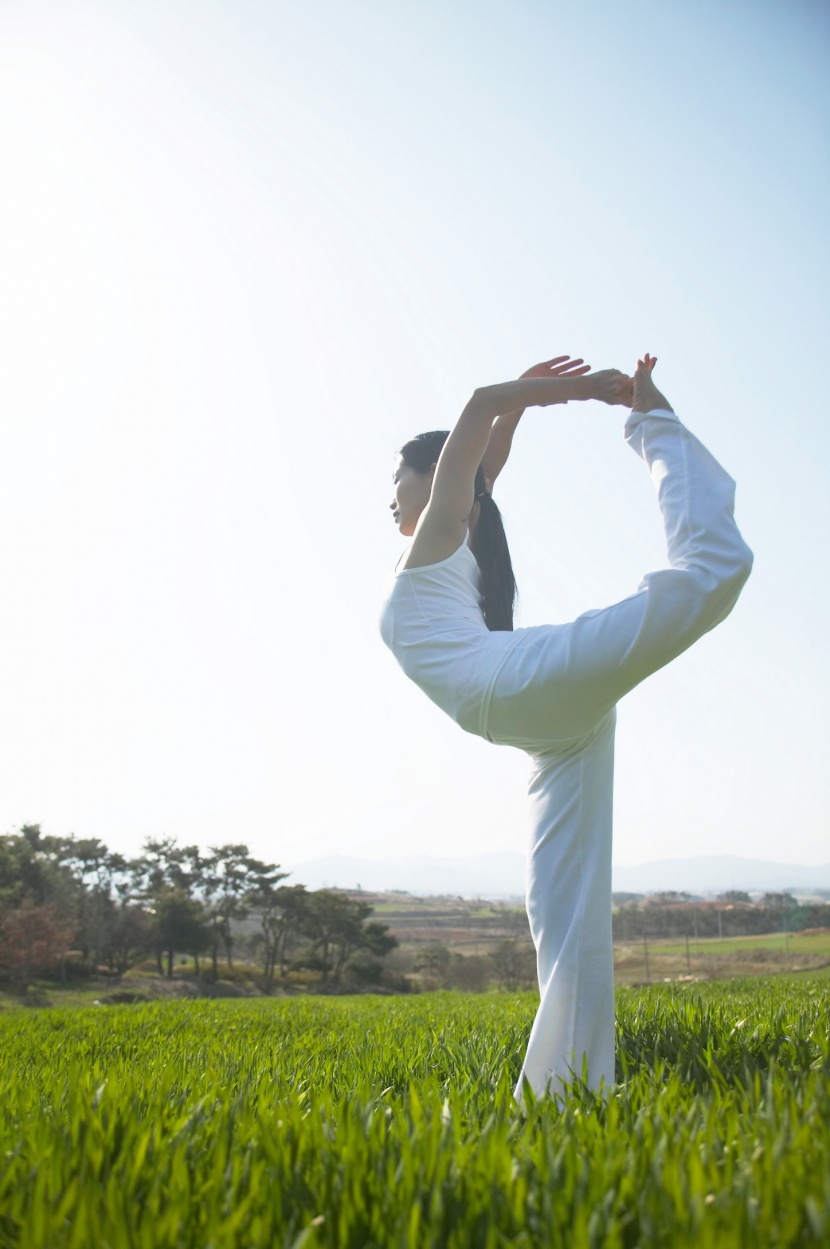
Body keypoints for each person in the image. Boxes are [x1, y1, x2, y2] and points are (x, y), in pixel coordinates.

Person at [379, 354, 753, 1100]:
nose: (387, 498)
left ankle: (657, 427)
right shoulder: (447, 544)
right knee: (566, 905)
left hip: (516, 688)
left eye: (396, 479)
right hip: (534, 715)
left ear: (433, 474)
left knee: (716, 566)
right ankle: (567, 1087)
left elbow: (478, 406)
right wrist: (517, 413)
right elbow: (486, 451)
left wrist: (577, 393)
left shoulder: (440, 533)